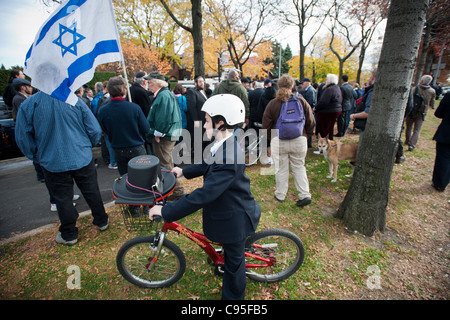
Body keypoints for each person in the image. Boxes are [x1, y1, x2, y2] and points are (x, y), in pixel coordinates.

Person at [148, 94, 261, 300]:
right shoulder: (224, 141)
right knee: (230, 256)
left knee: (235, 267)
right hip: (228, 207)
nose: (204, 124)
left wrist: (166, 210)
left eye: (208, 120)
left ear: (220, 123)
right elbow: (208, 162)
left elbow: (205, 195)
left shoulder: (229, 155)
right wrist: (183, 171)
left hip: (235, 217)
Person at [15, 91, 109, 246]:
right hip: (78, 156)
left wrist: (37, 155)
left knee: (62, 198)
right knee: (90, 190)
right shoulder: (74, 100)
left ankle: (70, 233)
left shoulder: (30, 104)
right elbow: (95, 130)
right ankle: (101, 220)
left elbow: (23, 138)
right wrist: (85, 146)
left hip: (53, 159)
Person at [262, 74, 316, 207]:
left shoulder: (273, 104)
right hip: (299, 138)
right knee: (299, 166)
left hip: (278, 139)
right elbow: (311, 120)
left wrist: (271, 138)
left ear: (278, 86)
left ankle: (280, 194)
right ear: (292, 87)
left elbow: (266, 124)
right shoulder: (301, 101)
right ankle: (304, 194)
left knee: (281, 168)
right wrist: (307, 135)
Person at [97, 76, 150, 175]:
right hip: (136, 147)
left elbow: (104, 130)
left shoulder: (103, 110)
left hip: (118, 149)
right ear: (124, 90)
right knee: (142, 177)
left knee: (125, 177)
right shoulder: (134, 108)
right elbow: (146, 128)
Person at [146, 72, 185, 200]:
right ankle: (175, 189)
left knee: (165, 163)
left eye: (150, 82)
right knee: (166, 162)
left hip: (165, 135)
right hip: (168, 134)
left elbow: (163, 119)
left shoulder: (163, 96)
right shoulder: (165, 94)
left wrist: (158, 133)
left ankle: (177, 191)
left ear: (158, 83)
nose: (148, 84)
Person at [405, 75, 436, 151]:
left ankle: (408, 140)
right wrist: (432, 106)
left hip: (412, 111)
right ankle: (412, 145)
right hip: (422, 113)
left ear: (421, 80)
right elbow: (432, 102)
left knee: (408, 128)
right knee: (417, 130)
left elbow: (409, 100)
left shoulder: (415, 89)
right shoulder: (432, 91)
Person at [314, 74, 342, 140]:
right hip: (335, 110)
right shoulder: (337, 88)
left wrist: (316, 108)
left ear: (330, 81)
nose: (326, 81)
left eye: (327, 79)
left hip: (327, 111)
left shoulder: (329, 89)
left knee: (324, 129)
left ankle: (324, 142)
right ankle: (330, 141)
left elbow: (323, 102)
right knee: (330, 128)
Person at [431, 92, 450, 192]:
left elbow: (438, 113)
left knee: (442, 159)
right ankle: (444, 181)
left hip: (446, 133)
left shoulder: (449, 95)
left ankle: (439, 183)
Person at [185, 75, 207, 157]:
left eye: (203, 81)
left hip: (204, 120)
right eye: (200, 81)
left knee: (202, 140)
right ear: (195, 83)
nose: (202, 83)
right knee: (198, 140)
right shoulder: (192, 92)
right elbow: (192, 107)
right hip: (197, 121)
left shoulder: (202, 92)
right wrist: (196, 121)